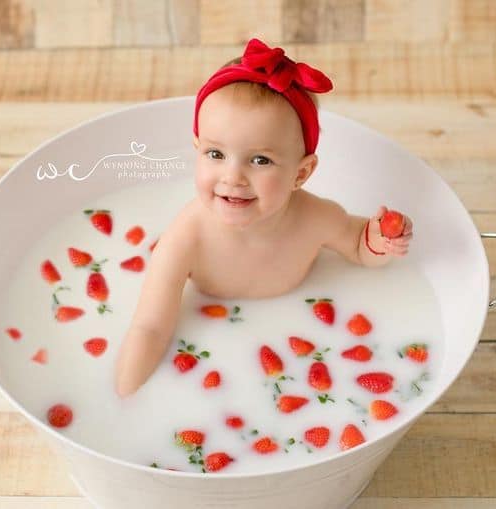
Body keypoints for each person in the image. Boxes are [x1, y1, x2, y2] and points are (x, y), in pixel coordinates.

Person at [114, 38, 413, 398]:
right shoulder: (187, 236)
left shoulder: (314, 217)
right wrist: (124, 397)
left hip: (300, 347)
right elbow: (149, 327)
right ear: (196, 149)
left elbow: (356, 246)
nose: (233, 177)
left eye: (260, 161)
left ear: (301, 174)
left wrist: (380, 240)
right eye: (215, 153)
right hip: (218, 351)